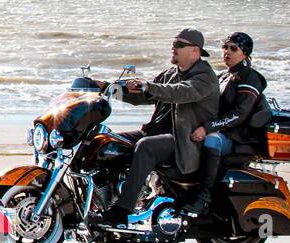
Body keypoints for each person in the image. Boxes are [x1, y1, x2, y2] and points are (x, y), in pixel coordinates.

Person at [97, 28, 219, 226]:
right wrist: (106, 88)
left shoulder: (205, 76)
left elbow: (180, 92)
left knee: (146, 146)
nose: (174, 48)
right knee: (105, 142)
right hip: (155, 133)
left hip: (184, 142)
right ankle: (103, 200)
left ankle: (122, 210)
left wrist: (149, 87)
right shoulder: (171, 73)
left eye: (179, 45)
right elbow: (144, 96)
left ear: (195, 50)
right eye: (173, 43)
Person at [183, 32, 269, 217]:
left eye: (233, 48)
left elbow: (240, 114)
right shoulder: (223, 76)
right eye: (225, 47)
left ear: (244, 53)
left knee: (212, 140)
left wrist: (207, 128)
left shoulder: (249, 77)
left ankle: (204, 196)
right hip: (223, 130)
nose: (227, 52)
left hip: (238, 138)